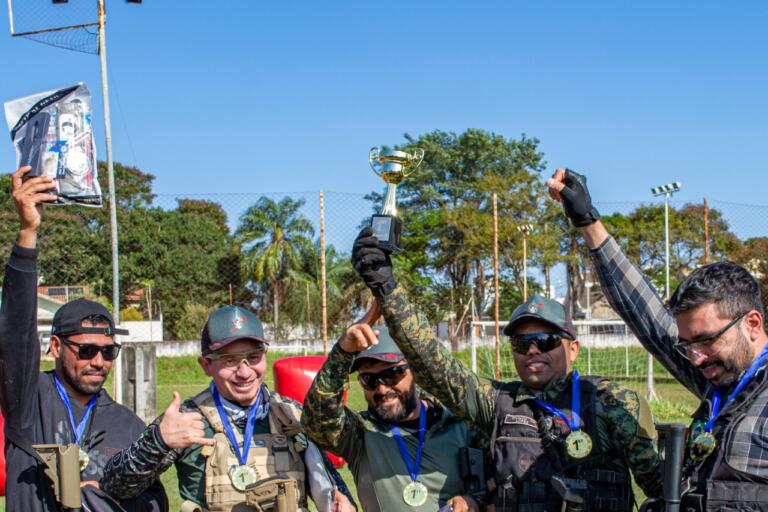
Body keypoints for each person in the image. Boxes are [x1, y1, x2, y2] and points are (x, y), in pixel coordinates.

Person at [350, 227, 662, 512]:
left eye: (545, 340)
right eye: (521, 343)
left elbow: (660, 486)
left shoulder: (612, 401)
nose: (533, 351)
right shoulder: (496, 402)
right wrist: (387, 287)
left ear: (573, 348)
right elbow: (433, 364)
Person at [548, 167, 768, 511]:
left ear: (752, 324)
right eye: (687, 345)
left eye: (706, 341)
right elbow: (646, 315)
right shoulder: (720, 380)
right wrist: (587, 220)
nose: (694, 358)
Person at [0, 165, 168, 511]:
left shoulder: (127, 424)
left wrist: (101, 493)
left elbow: (156, 501)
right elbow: (15, 337)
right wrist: (28, 233)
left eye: (109, 352)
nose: (99, 361)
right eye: (87, 349)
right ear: (57, 346)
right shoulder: (29, 404)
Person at [101, 304, 356, 512]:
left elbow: (334, 489)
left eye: (253, 358)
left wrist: (343, 504)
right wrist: (157, 442)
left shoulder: (293, 415)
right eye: (229, 361)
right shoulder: (187, 420)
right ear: (206, 365)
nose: (244, 372)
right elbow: (114, 486)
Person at [302, 303, 487, 512]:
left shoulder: (460, 425)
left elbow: (500, 483)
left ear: (414, 370)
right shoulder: (360, 434)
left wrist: (473, 501)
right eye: (368, 379)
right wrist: (343, 351)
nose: (381, 388)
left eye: (392, 374)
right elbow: (316, 419)